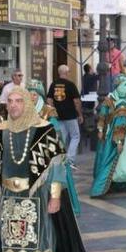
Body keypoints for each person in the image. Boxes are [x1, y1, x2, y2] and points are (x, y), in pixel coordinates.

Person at [0, 86, 96, 252]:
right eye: (10, 101)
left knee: (38, 239)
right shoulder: (1, 130)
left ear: (26, 103)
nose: (13, 105)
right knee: (12, 241)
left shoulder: (44, 130)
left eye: (18, 101)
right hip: (9, 197)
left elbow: (56, 164)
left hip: (36, 195)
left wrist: (55, 197)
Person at [27, 79, 81, 216]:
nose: (32, 97)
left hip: (47, 151)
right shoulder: (25, 111)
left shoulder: (48, 111)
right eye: (29, 94)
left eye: (35, 94)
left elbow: (56, 132)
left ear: (40, 96)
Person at [46, 65, 83, 164]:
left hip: (58, 116)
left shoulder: (53, 84)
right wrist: (80, 114)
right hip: (70, 115)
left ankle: (60, 158)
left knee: (62, 137)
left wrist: (53, 110)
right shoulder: (71, 85)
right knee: (75, 136)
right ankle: (70, 159)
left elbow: (49, 99)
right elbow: (77, 102)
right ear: (67, 73)